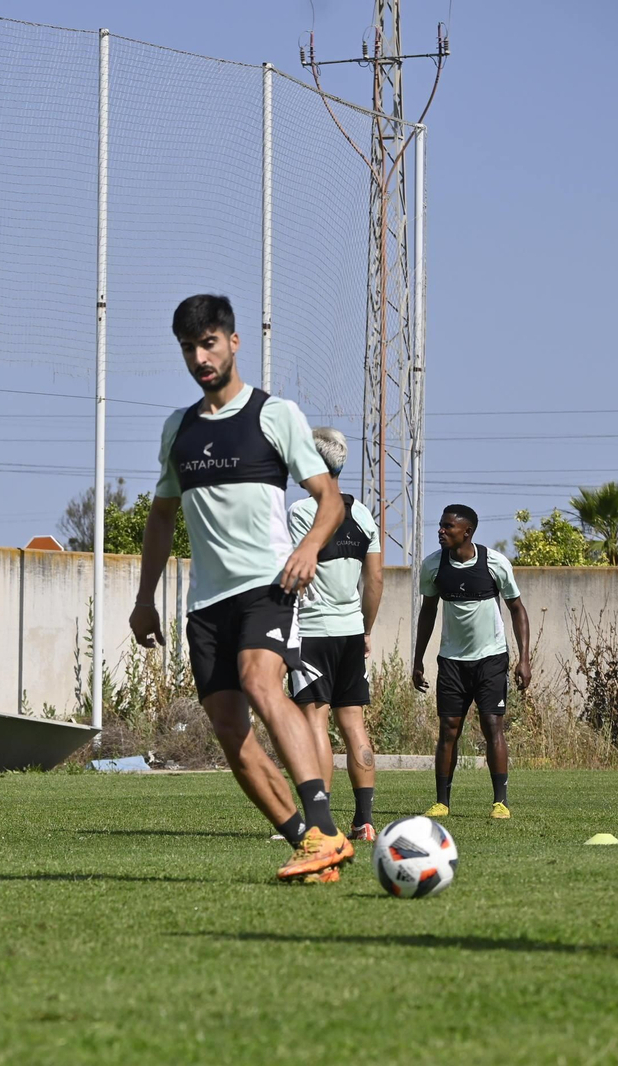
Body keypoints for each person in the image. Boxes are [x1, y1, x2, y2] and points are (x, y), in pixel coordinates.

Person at [131, 293, 355, 884]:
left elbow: (328, 499)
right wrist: (143, 597)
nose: (200, 357)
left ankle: (326, 825)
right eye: (188, 348)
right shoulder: (178, 430)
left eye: (208, 343)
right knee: (230, 732)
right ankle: (309, 843)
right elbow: (160, 518)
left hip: (269, 584)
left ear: (233, 342)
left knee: (261, 680)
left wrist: (307, 549)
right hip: (205, 605)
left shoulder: (273, 415)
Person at [287, 427, 383, 841]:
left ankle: (319, 822)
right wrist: (365, 628)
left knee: (314, 723)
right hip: (350, 633)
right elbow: (375, 580)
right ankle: (363, 821)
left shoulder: (301, 513)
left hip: (312, 632)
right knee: (355, 725)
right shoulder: (364, 515)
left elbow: (294, 573)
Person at [412, 505, 531, 819]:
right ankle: (442, 803)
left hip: (491, 659)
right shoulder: (434, 566)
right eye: (441, 525)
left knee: (493, 726)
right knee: (449, 730)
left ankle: (500, 802)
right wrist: (418, 659)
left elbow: (518, 610)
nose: (441, 531)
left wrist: (524, 659)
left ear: (467, 532)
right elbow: (427, 612)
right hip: (452, 661)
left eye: (448, 527)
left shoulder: (494, 563)